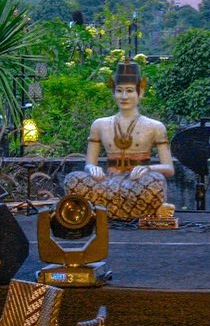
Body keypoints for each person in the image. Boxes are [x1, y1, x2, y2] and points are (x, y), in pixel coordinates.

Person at [64, 61, 175, 220]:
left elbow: (169, 168)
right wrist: (91, 169)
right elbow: (89, 163)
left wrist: (149, 169)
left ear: (140, 92)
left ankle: (100, 211)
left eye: (129, 91)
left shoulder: (155, 126)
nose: (124, 96)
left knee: (156, 181)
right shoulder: (100, 124)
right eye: (119, 91)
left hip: (137, 182)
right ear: (113, 93)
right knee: (73, 179)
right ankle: (145, 212)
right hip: (108, 182)